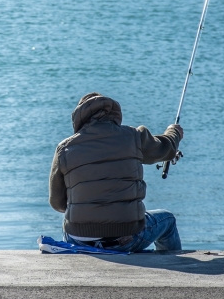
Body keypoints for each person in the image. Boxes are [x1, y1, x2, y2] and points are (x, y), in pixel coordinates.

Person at [49, 92, 184, 252]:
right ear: (114, 113)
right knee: (167, 219)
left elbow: (57, 203)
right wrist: (174, 132)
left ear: (79, 117)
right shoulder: (133, 137)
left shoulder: (64, 149)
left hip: (78, 239)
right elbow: (166, 148)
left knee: (70, 221)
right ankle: (171, 263)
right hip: (127, 237)